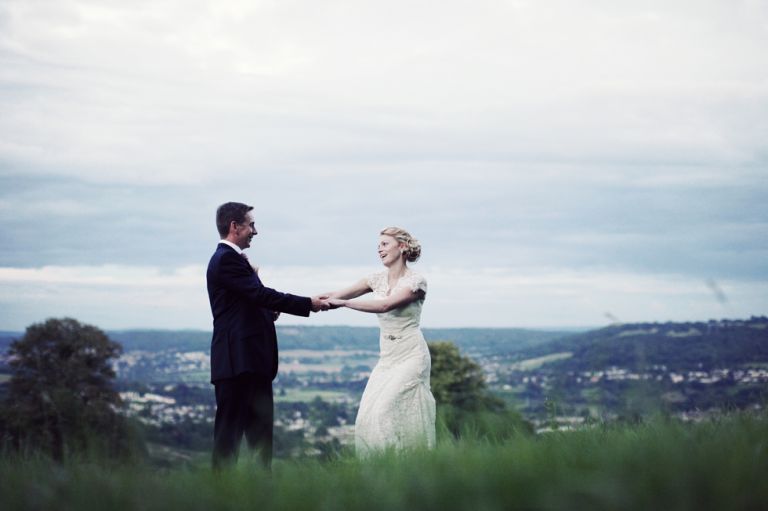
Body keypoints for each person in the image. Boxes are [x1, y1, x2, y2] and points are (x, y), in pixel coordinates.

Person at [206, 201, 329, 469]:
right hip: (238, 364)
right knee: (228, 443)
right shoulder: (226, 259)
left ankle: (261, 496)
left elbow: (245, 304)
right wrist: (308, 303)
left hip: (250, 364)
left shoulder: (232, 260)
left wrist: (267, 313)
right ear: (234, 227)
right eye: (251, 224)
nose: (255, 231)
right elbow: (260, 295)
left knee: (261, 443)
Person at [326, 227, 436, 456]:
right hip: (387, 358)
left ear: (402, 247)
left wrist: (344, 304)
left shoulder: (416, 282)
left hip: (411, 355)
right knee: (367, 417)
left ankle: (410, 462)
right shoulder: (374, 279)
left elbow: (386, 305)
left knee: (385, 412)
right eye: (378, 245)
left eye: (385, 244)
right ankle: (383, 470)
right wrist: (306, 302)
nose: (379, 249)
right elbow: (338, 294)